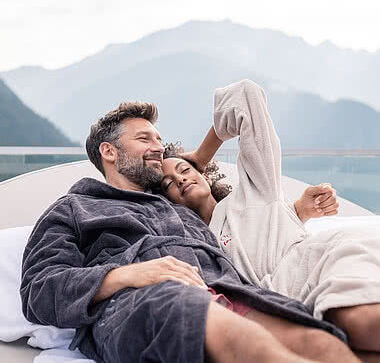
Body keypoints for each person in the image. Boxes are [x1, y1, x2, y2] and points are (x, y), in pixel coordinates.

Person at [20, 102, 361, 363]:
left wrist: (296, 212)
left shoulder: (182, 209)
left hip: (229, 292)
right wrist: (126, 274)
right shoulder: (73, 209)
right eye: (144, 139)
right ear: (108, 151)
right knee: (233, 336)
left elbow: (248, 232)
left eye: (159, 139)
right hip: (141, 303)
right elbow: (39, 290)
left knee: (322, 344)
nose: (158, 147)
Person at [161, 79, 380, 359]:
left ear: (204, 174)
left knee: (357, 323)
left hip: (319, 262)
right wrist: (297, 211)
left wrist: (201, 155)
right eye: (167, 183)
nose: (179, 179)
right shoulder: (192, 244)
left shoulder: (255, 190)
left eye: (184, 169)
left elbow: (246, 95)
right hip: (283, 302)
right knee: (350, 349)